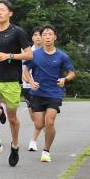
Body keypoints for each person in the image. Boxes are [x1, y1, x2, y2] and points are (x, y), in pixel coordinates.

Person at [0, 0, 33, 167]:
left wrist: (9, 56)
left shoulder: (18, 32)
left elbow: (29, 55)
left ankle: (15, 145)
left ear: (10, 13)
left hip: (11, 80)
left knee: (12, 118)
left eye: (2, 10)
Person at [24, 24, 75, 162]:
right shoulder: (34, 55)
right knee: (39, 124)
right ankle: (43, 144)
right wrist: (31, 82)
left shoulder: (62, 56)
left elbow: (72, 73)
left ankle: (46, 151)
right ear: (41, 37)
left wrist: (65, 78)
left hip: (54, 93)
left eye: (50, 34)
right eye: (44, 35)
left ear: (55, 37)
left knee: (50, 121)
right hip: (38, 93)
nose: (47, 37)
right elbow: (26, 71)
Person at [22, 26, 43, 151]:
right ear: (32, 38)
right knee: (35, 119)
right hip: (29, 88)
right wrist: (27, 79)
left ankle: (33, 141)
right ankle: (41, 129)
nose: (38, 37)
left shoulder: (49, 52)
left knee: (43, 119)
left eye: (40, 35)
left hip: (44, 89)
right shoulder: (28, 52)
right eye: (35, 35)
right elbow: (23, 71)